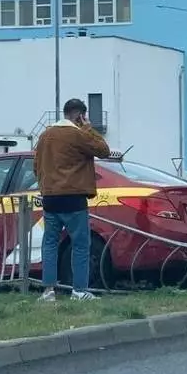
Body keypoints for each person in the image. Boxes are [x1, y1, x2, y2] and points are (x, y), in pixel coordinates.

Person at [32, 98, 113, 302]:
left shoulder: (45, 136)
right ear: (79, 116)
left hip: (50, 198)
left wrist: (45, 186)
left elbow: (36, 166)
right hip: (73, 199)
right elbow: (103, 150)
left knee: (49, 243)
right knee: (80, 244)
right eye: (83, 117)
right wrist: (89, 129)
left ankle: (48, 291)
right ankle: (79, 290)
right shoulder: (78, 134)